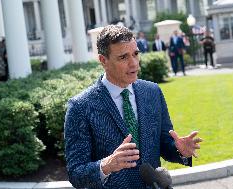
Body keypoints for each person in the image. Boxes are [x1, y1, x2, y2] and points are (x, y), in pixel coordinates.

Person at [64, 25, 202, 189]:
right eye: (123, 57)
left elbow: (165, 144)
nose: (134, 63)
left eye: (136, 54)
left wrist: (180, 151)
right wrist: (106, 166)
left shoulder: (152, 92)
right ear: (103, 61)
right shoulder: (80, 107)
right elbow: (76, 173)